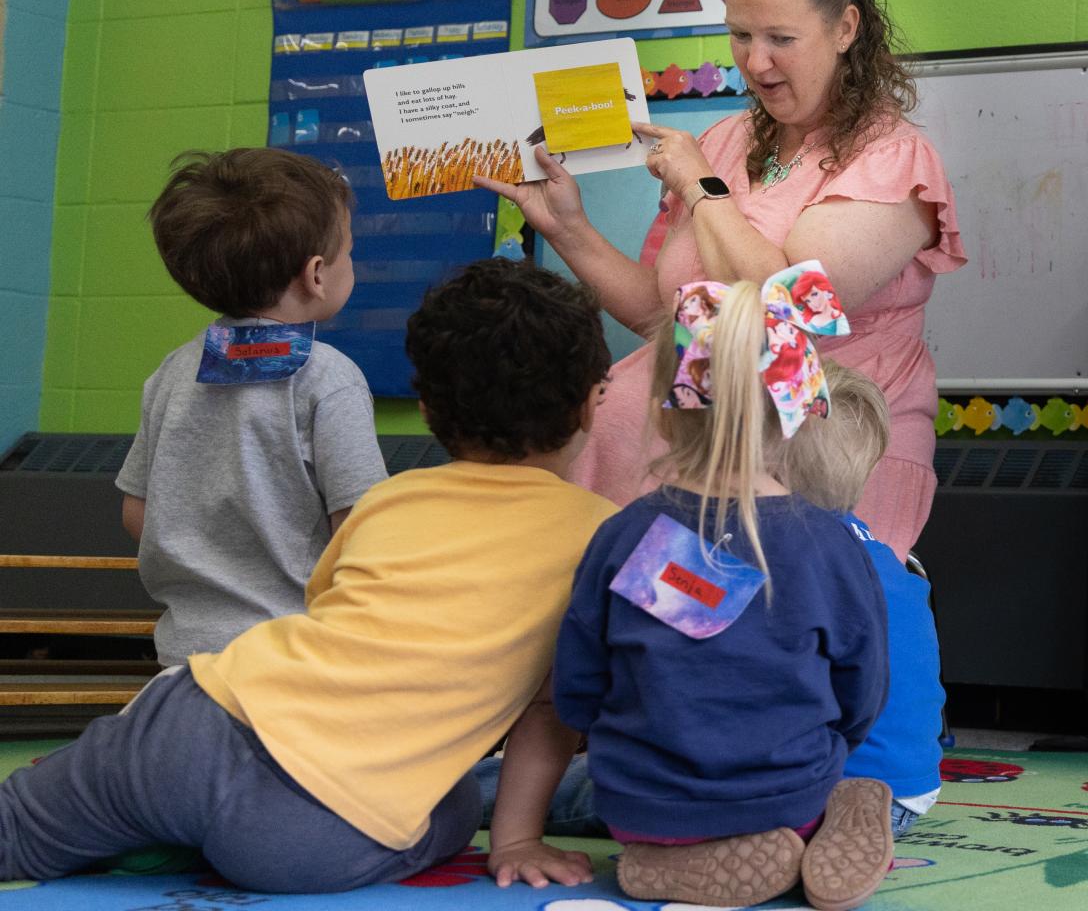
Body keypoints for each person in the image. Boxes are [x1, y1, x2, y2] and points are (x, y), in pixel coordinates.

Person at [0, 259, 618, 894]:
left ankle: (151, 826)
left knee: (16, 826)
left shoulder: (388, 500)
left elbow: (325, 610)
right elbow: (554, 706)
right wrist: (515, 840)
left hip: (192, 718)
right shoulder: (604, 536)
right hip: (314, 822)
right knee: (454, 803)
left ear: (428, 406)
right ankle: (183, 835)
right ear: (589, 406)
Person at [477, 0, 966, 563]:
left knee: (757, 612)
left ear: (845, 28)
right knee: (643, 607)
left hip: (813, 455)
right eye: (740, 35)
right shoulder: (724, 141)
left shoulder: (892, 160)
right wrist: (567, 227)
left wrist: (703, 187)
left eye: (781, 38)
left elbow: (786, 308)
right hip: (690, 446)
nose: (756, 62)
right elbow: (667, 314)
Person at [489, 265, 892, 910]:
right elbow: (861, 698)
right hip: (788, 798)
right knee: (832, 780)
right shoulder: (833, 546)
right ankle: (816, 830)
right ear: (800, 411)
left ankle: (669, 858)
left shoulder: (622, 536)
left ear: (664, 412)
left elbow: (575, 695)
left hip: (639, 813)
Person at [114, 148, 387, 666]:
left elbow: (137, 512)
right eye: (349, 252)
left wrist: (212, 561)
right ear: (316, 274)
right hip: (293, 664)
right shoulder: (329, 377)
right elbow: (362, 527)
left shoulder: (173, 371)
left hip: (184, 662)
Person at [782, 361, 945, 838]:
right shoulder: (883, 556)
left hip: (824, 785)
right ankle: (834, 838)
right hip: (910, 792)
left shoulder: (787, 556)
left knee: (611, 785)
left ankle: (795, 833)